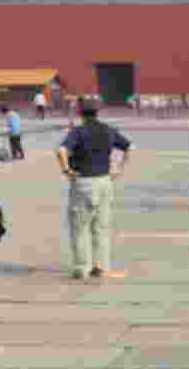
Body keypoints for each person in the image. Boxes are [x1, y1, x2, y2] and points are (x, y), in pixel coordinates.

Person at [56, 98, 132, 280]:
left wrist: (66, 170)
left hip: (84, 181)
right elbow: (129, 147)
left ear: (81, 113)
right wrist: (119, 169)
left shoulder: (78, 131)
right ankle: (101, 266)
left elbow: (61, 151)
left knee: (80, 227)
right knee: (101, 227)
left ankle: (82, 268)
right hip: (105, 181)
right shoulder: (108, 130)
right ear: (98, 112)